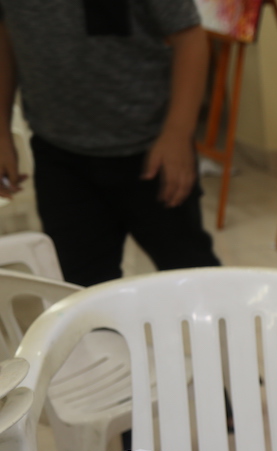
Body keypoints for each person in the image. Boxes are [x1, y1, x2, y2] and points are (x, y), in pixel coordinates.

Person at [0, 0, 220, 287]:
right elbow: (6, 33)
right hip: (59, 155)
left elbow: (189, 37)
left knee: (192, 274)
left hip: (150, 152)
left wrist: (177, 133)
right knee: (82, 287)